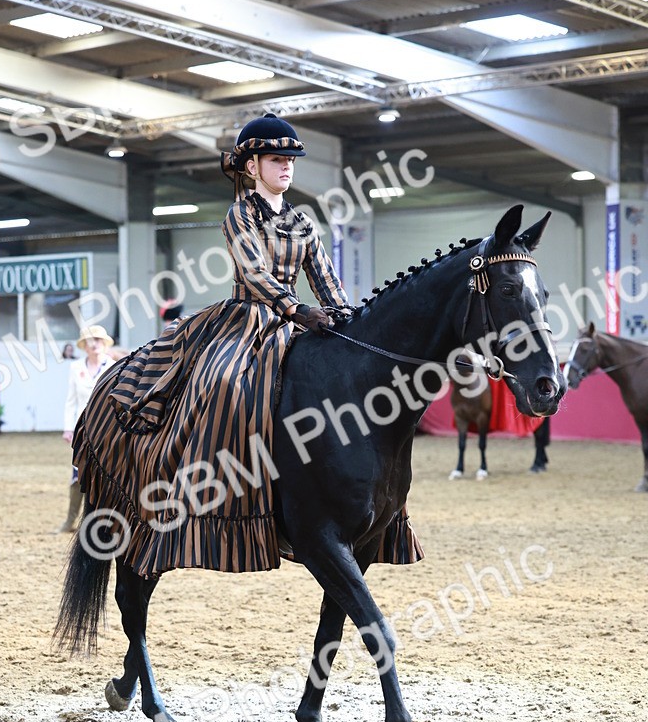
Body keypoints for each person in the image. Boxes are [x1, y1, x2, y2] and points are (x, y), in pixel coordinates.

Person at [75, 112, 421, 575]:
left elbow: (326, 280)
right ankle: (205, 492)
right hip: (247, 318)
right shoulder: (239, 215)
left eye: (290, 160)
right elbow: (255, 274)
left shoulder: (303, 222)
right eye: (276, 159)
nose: (286, 167)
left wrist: (346, 318)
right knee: (223, 384)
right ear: (253, 167)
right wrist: (296, 309)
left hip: (301, 319)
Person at [56, 325, 118, 532]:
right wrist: (68, 428)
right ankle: (70, 520)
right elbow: (70, 401)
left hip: (106, 429)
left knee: (107, 475)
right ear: (84, 346)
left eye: (98, 340)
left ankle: (105, 522)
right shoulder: (75, 368)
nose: (94, 344)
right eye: (90, 341)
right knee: (77, 474)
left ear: (104, 344)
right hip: (82, 430)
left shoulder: (114, 366)